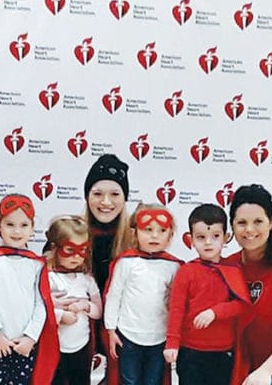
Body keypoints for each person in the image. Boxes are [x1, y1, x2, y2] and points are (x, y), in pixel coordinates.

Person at [0, 194, 59, 384]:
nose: (17, 231)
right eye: (10, 224)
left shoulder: (37, 265)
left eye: (24, 225)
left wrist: (30, 337)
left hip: (24, 345)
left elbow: (41, 304)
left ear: (32, 228)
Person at [163, 203, 250, 385]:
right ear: (191, 240)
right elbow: (176, 309)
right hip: (191, 352)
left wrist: (215, 312)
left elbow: (242, 305)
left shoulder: (234, 270)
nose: (208, 242)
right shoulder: (187, 271)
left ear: (226, 237)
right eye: (201, 237)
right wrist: (172, 343)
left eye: (215, 236)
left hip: (222, 352)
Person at [104, 204, 183, 385]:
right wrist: (110, 330)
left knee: (153, 381)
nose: (154, 236)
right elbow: (114, 296)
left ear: (170, 235)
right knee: (129, 380)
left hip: (159, 336)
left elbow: (176, 304)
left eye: (161, 230)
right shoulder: (126, 262)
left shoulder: (174, 266)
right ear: (135, 233)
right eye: (147, 230)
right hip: (128, 334)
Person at [223, 185, 272, 385]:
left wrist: (265, 372)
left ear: (271, 223)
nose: (249, 230)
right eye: (242, 222)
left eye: (258, 221)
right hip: (241, 368)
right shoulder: (227, 266)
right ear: (232, 226)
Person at [82, 154, 132, 385]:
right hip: (79, 339)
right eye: (97, 193)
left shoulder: (136, 240)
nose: (106, 202)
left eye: (114, 194)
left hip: (122, 341)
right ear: (87, 196)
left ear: (124, 198)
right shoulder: (69, 236)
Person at [44, 215, 102, 385]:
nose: (76, 257)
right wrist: (60, 315)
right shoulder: (47, 277)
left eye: (82, 250)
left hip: (82, 346)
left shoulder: (86, 279)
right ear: (54, 247)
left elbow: (98, 311)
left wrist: (86, 305)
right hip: (54, 348)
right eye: (70, 250)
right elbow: (38, 310)